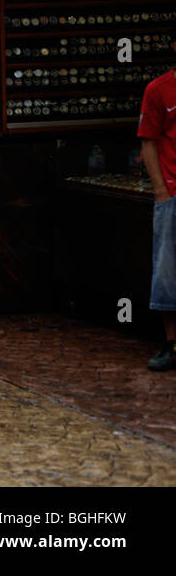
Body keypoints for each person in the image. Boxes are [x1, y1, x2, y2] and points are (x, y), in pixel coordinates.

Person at [138, 23, 176, 371]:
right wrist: (161, 190)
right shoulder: (159, 90)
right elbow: (148, 140)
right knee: (167, 270)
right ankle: (171, 343)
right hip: (173, 192)